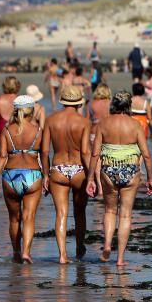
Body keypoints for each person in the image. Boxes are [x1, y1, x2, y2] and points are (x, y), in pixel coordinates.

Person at [87, 90, 152, 266]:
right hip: (131, 170)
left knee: (110, 210)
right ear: (128, 105)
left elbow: (95, 154)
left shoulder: (103, 124)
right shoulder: (135, 125)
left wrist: (90, 179)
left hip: (108, 169)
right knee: (125, 215)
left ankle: (108, 245)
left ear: (114, 105)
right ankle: (120, 259)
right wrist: (150, 178)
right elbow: (146, 155)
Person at [41, 86, 91, 263]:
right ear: (79, 102)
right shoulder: (84, 122)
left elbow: (45, 151)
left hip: (58, 170)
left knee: (61, 214)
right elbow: (85, 152)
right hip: (79, 170)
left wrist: (46, 175)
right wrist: (91, 175)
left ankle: (62, 255)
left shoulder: (50, 120)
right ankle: (79, 247)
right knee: (80, 212)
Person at [0, 96, 44, 264]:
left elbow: (2, 156)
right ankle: (27, 252)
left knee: (14, 218)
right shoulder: (38, 131)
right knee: (29, 217)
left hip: (11, 176)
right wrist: (47, 177)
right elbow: (43, 156)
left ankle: (16, 252)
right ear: (32, 110)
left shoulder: (6, 131)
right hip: (32, 175)